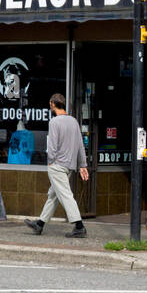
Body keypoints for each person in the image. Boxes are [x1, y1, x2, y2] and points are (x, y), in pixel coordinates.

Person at [24, 93, 89, 238]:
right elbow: (80, 145)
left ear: (53, 104)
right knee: (53, 195)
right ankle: (39, 224)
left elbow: (52, 145)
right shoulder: (73, 121)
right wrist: (83, 165)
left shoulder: (54, 122)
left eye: (50, 104)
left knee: (65, 195)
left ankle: (79, 226)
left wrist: (50, 161)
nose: (50, 106)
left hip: (57, 165)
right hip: (69, 166)